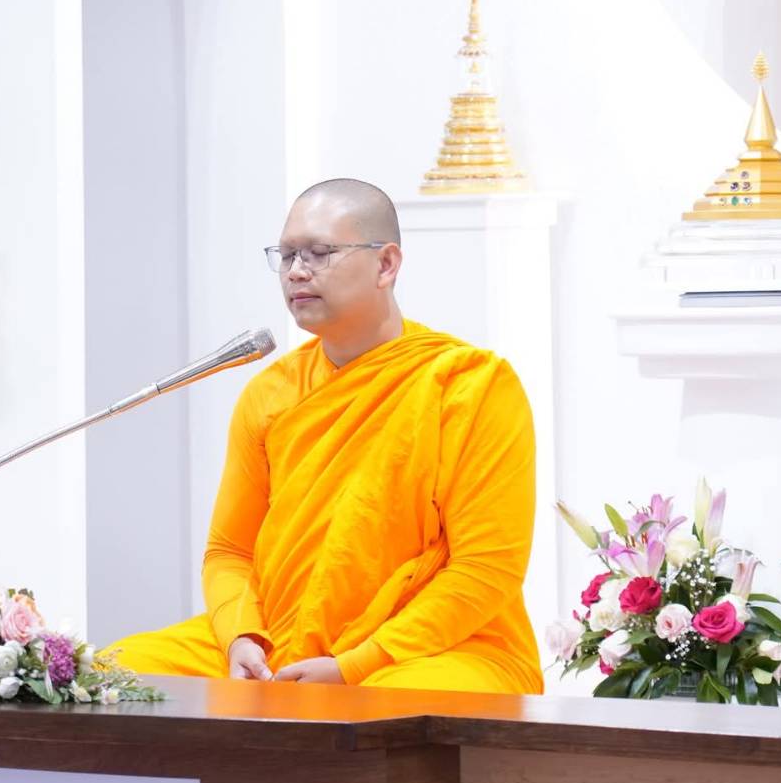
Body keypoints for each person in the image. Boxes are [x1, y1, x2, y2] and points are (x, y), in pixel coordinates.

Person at [109, 178, 542, 693]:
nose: (296, 272)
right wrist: (240, 637)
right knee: (115, 670)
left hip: (428, 647)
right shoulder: (269, 393)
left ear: (386, 265)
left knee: (396, 703)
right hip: (279, 639)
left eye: (319, 253)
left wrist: (355, 665)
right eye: (287, 254)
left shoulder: (469, 385)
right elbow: (229, 550)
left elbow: (487, 568)